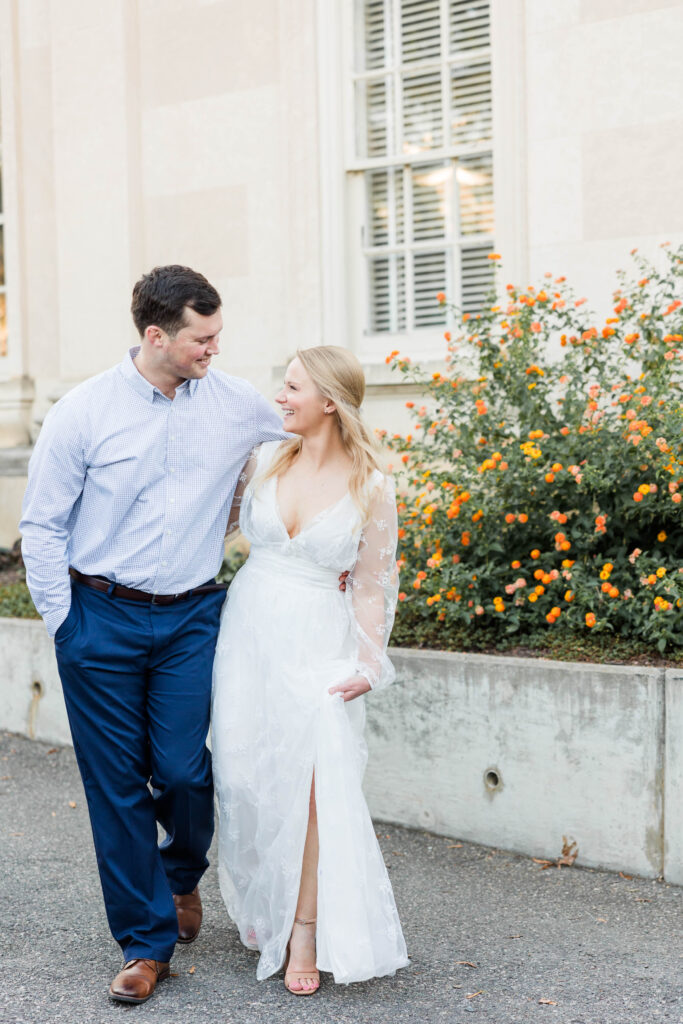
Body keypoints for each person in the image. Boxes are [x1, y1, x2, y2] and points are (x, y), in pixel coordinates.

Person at [19, 265, 291, 1005]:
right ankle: (147, 944)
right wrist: (66, 622)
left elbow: (311, 436)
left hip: (191, 617)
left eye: (216, 335)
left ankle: (179, 876)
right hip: (97, 615)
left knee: (183, 772)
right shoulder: (83, 411)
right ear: (156, 335)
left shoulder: (235, 403)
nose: (213, 348)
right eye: (202, 338)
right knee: (115, 788)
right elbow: (40, 525)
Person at [211, 345, 410, 995]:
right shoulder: (264, 458)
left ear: (329, 400)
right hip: (247, 634)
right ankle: (265, 902)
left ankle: (302, 928)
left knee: (314, 791)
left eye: (292, 386)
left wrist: (368, 662)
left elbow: (374, 584)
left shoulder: (371, 487)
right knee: (244, 778)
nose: (280, 397)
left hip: (318, 643)